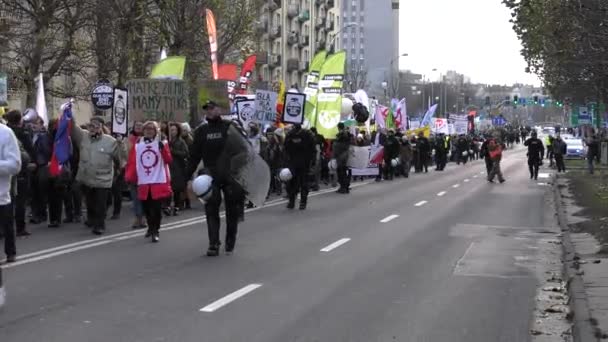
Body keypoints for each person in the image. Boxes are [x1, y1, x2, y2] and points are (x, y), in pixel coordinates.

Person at [187, 100, 246, 257]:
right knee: (211, 209)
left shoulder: (229, 127)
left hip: (230, 174)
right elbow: (194, 156)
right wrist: (186, 178)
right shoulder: (201, 131)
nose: (209, 111)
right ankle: (213, 243)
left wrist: (238, 170)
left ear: (219, 110)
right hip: (210, 175)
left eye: (212, 108)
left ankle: (230, 241)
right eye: (207, 109)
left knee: (231, 211)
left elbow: (243, 149)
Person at [71, 117, 120, 235]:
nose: (92, 128)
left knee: (100, 203)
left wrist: (118, 170)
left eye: (96, 126)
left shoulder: (110, 141)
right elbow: (73, 128)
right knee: (90, 202)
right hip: (87, 177)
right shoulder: (83, 136)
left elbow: (118, 158)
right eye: (90, 125)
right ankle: (92, 219)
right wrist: (69, 114)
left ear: (101, 127)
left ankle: (99, 225)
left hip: (103, 178)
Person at [125, 121, 173, 242]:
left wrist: (163, 149)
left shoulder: (162, 143)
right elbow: (132, 161)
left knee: (156, 209)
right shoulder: (138, 144)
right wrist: (129, 176)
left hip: (157, 181)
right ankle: (150, 228)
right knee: (146, 208)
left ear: (156, 130)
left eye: (151, 129)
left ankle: (155, 230)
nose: (149, 130)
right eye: (147, 129)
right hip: (143, 182)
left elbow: (168, 160)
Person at [4, 110, 35, 236]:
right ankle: (20, 228)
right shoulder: (22, 133)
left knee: (7, 200)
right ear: (20, 120)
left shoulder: (5, 131)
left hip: (7, 172)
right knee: (20, 201)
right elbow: (30, 150)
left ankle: (5, 228)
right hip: (21, 170)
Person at [0, 121, 22, 263]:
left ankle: (10, 252)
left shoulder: (6, 133)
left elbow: (15, 165)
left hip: (1, 196)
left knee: (7, 226)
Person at [284, 124, 315, 209]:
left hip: (301, 162)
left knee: (299, 183)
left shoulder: (304, 135)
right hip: (297, 162)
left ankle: (296, 201)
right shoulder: (292, 135)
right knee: (296, 183)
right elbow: (286, 148)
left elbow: (312, 149)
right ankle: (297, 201)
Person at [168, 122, 189, 215]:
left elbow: (185, 153)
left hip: (177, 167)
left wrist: (174, 151)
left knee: (176, 189)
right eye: (171, 130)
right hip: (169, 167)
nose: (172, 132)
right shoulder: (167, 141)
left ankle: (177, 206)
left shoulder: (181, 142)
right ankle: (167, 207)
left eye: (174, 130)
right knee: (168, 188)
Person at [333, 122, 352, 193]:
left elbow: (338, 144)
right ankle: (345, 187)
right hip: (344, 155)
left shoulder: (342, 135)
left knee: (341, 171)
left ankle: (343, 187)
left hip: (341, 155)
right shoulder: (346, 134)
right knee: (343, 171)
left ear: (338, 127)